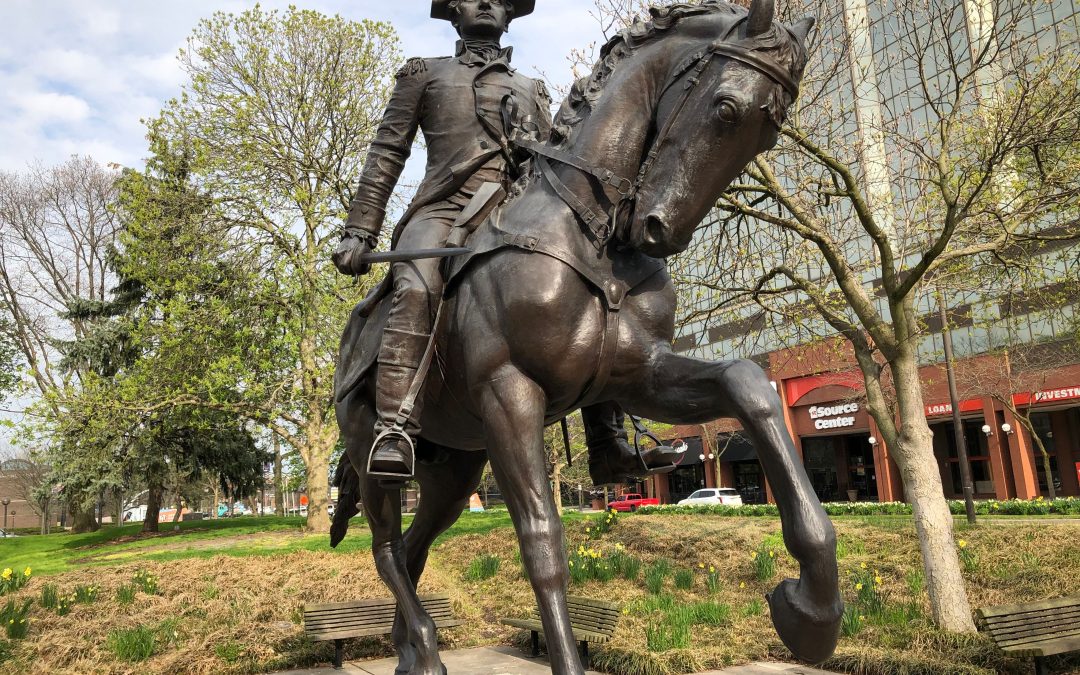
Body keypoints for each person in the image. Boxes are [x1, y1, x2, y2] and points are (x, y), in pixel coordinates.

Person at [332, 0, 674, 485]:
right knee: (416, 285)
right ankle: (395, 427)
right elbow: (388, 152)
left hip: (514, 211)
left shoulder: (531, 89)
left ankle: (607, 441)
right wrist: (358, 229)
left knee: (591, 281)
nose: (488, 2)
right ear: (454, 11)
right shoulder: (424, 75)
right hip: (443, 212)